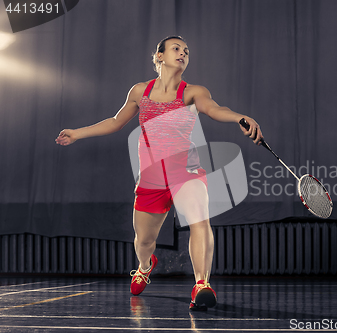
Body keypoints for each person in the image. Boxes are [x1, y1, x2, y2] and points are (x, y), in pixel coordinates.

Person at [55, 35, 263, 310]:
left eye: (186, 51)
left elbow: (215, 109)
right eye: (176, 48)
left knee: (199, 221)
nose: (183, 53)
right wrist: (77, 134)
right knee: (144, 241)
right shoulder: (140, 91)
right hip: (152, 178)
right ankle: (144, 265)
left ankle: (202, 284)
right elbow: (117, 121)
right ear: (159, 56)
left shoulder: (193, 92)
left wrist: (239, 117)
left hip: (186, 170)